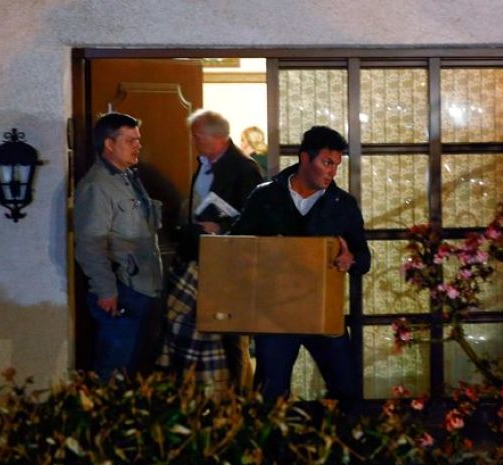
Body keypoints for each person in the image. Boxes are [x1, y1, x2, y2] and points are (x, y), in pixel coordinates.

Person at [231, 125, 371, 403]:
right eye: (326, 162)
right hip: (274, 313)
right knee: (269, 395)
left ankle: (340, 443)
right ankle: (274, 446)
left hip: (322, 310)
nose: (332, 171)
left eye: (336, 165)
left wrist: (349, 259)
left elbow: (363, 259)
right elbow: (237, 244)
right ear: (305, 159)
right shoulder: (266, 195)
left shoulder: (342, 204)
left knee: (348, 389)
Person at [158, 109, 263, 392]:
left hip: (230, 263)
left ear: (218, 137)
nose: (193, 140)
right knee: (204, 332)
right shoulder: (205, 163)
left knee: (232, 334)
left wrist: (220, 226)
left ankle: (240, 402)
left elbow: (256, 217)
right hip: (200, 258)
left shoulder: (245, 168)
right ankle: (209, 396)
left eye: (198, 135)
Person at [74, 112, 163, 382]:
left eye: (138, 139)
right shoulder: (97, 186)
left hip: (143, 286)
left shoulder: (127, 178)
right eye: (130, 140)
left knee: (137, 368)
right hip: (121, 291)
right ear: (109, 144)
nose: (138, 145)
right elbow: (90, 243)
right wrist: (106, 290)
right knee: (115, 371)